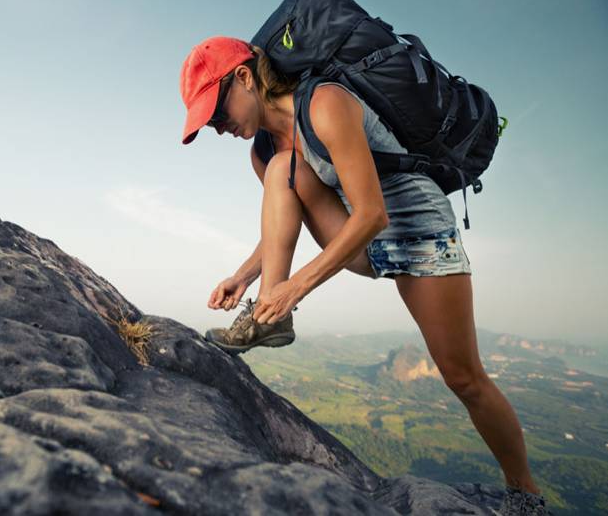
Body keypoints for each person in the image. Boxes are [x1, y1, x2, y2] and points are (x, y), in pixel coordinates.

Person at [179, 36, 548, 515]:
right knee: (278, 171)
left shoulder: (326, 103)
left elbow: (374, 213)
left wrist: (298, 285)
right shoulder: (265, 149)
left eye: (215, 110)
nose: (216, 125)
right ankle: (269, 319)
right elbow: (282, 217)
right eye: (206, 122)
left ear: (244, 77)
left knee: (464, 377)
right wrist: (245, 276)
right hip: (357, 236)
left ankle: (526, 493)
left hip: (415, 232)